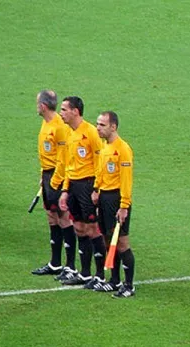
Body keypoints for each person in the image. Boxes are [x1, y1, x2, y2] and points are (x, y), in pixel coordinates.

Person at [57, 96, 106, 288]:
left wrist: (96, 188)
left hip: (88, 185)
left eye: (64, 109)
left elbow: (99, 162)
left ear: (75, 111)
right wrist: (65, 190)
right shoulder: (69, 133)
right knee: (78, 227)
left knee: (93, 229)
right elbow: (69, 165)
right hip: (74, 186)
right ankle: (85, 274)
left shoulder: (91, 133)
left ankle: (100, 274)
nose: (61, 113)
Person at [31, 90, 77, 276]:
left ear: (43, 106)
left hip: (58, 176)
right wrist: (43, 176)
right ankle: (55, 263)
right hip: (48, 175)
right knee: (52, 216)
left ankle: (71, 265)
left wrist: (56, 181)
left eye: (37, 104)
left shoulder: (59, 127)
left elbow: (63, 158)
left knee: (64, 217)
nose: (36, 107)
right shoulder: (46, 122)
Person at [92, 111, 136, 298]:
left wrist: (124, 206)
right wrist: (96, 189)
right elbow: (101, 171)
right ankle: (114, 280)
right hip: (104, 198)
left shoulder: (123, 149)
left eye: (102, 125)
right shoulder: (105, 146)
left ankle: (129, 285)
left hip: (117, 199)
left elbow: (126, 180)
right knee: (108, 239)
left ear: (113, 127)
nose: (98, 128)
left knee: (122, 243)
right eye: (97, 124)